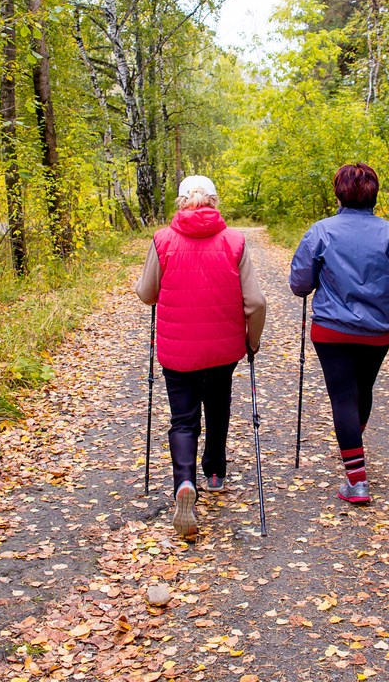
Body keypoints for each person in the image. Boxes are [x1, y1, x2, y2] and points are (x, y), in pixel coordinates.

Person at [136, 176, 267, 540]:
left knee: (183, 420)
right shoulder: (235, 241)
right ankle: (214, 473)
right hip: (223, 350)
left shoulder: (163, 240)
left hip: (178, 351)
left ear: (181, 203)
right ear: (214, 201)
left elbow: (148, 294)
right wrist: (251, 342)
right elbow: (255, 303)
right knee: (218, 406)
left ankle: (184, 482)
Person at [288, 163, 389, 505]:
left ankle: (356, 477)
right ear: (374, 192)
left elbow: (300, 284)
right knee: (362, 391)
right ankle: (354, 454)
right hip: (377, 332)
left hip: (331, 330)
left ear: (339, 192)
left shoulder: (321, 231)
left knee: (344, 397)